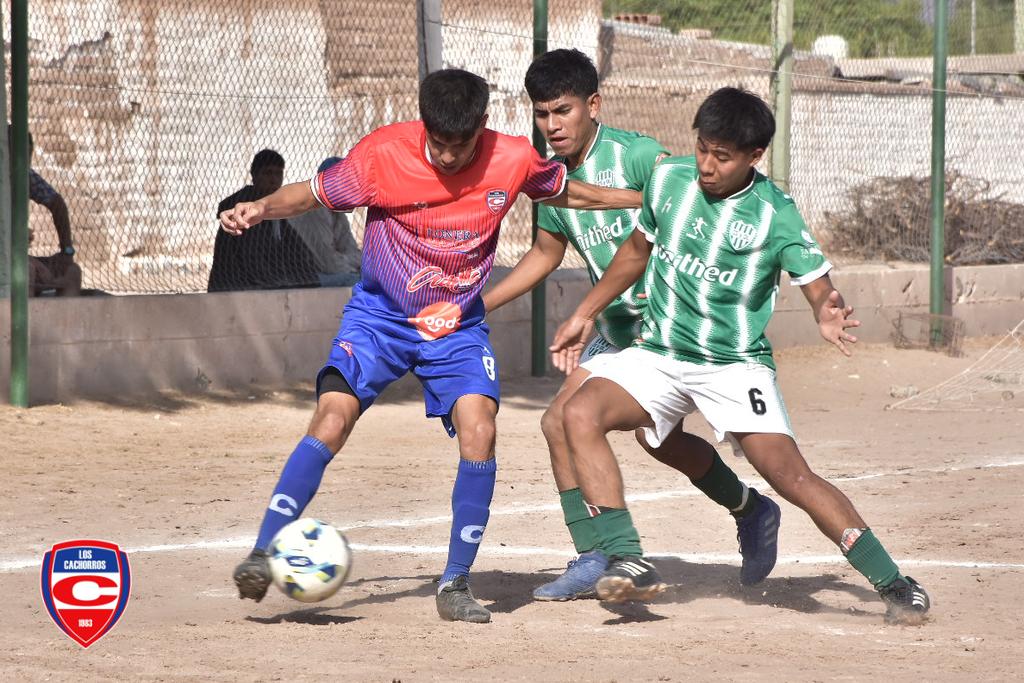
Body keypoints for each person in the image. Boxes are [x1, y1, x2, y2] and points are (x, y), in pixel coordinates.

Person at [220, 68, 642, 623]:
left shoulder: (512, 157)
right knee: (331, 419)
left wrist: (645, 198)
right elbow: (311, 194)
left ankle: (455, 584)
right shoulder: (382, 155)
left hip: (456, 325)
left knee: (480, 429)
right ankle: (261, 553)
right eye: (437, 143)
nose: (445, 156)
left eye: (458, 145)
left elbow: (569, 192)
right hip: (380, 320)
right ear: (424, 125)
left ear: (482, 125)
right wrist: (260, 207)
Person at [550, 87, 931, 624]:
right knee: (576, 413)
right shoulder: (668, 178)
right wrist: (586, 311)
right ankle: (628, 558)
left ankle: (895, 583)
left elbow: (816, 283)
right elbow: (635, 252)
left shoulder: (775, 213)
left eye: (722, 156)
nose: (707, 166)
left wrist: (825, 307)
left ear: (755, 156)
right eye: (702, 149)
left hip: (731, 365)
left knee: (789, 476)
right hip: (660, 352)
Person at [482, 49, 780, 601]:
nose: (552, 125)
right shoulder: (549, 180)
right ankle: (595, 555)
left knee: (653, 439)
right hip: (618, 333)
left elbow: (697, 202)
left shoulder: (638, 155)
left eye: (563, 111)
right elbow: (545, 253)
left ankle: (747, 509)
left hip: (673, 330)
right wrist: (480, 305)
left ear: (593, 105)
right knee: (562, 423)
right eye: (542, 114)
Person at [208, 149, 318, 292]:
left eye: (278, 173)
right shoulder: (242, 208)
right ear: (254, 175)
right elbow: (251, 258)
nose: (273, 180)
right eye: (267, 173)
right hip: (236, 287)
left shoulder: (275, 208)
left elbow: (297, 251)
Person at [11, 125, 83, 296]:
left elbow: (57, 204)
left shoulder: (25, 176)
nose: (25, 161)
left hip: (18, 257)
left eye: (28, 155)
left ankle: (65, 314)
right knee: (26, 272)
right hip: (9, 260)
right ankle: (22, 314)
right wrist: (15, 237)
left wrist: (67, 251)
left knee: (71, 272)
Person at [287, 156, 361, 287]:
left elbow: (355, 253)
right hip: (306, 276)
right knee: (358, 282)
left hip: (330, 272)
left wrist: (350, 262)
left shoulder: (337, 212)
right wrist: (353, 265)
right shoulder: (314, 209)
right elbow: (328, 263)